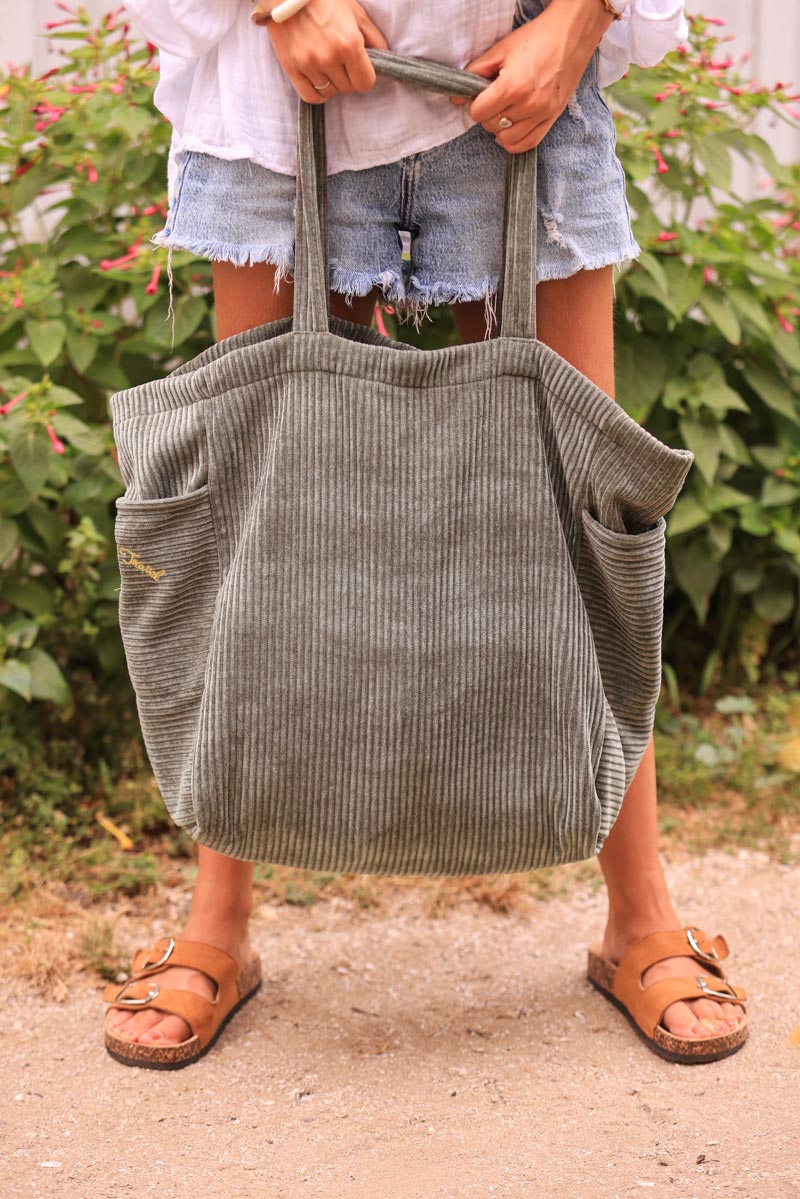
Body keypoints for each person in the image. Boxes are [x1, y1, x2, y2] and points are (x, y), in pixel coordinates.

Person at [102, 0, 748, 1067]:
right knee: (259, 503)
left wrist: (583, 19)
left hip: (521, 68)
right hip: (286, 76)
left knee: (580, 500)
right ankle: (218, 917)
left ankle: (640, 913)